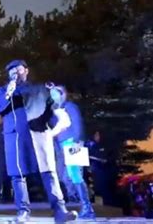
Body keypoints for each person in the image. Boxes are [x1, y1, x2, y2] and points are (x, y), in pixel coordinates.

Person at [0, 59, 77, 222]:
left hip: (38, 132)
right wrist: (8, 93)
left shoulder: (39, 88)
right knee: (18, 174)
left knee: (48, 171)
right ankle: (23, 211)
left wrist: (54, 101)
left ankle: (60, 210)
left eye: (19, 69)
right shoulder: (3, 91)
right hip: (15, 135)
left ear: (27, 71)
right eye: (12, 71)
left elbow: (52, 108)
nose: (16, 73)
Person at [49, 84, 95, 219]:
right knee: (66, 176)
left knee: (75, 175)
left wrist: (78, 141)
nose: (53, 97)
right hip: (63, 145)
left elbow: (77, 123)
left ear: (62, 94)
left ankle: (87, 208)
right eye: (51, 95)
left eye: (55, 94)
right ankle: (81, 204)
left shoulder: (70, 107)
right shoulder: (57, 110)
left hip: (72, 143)